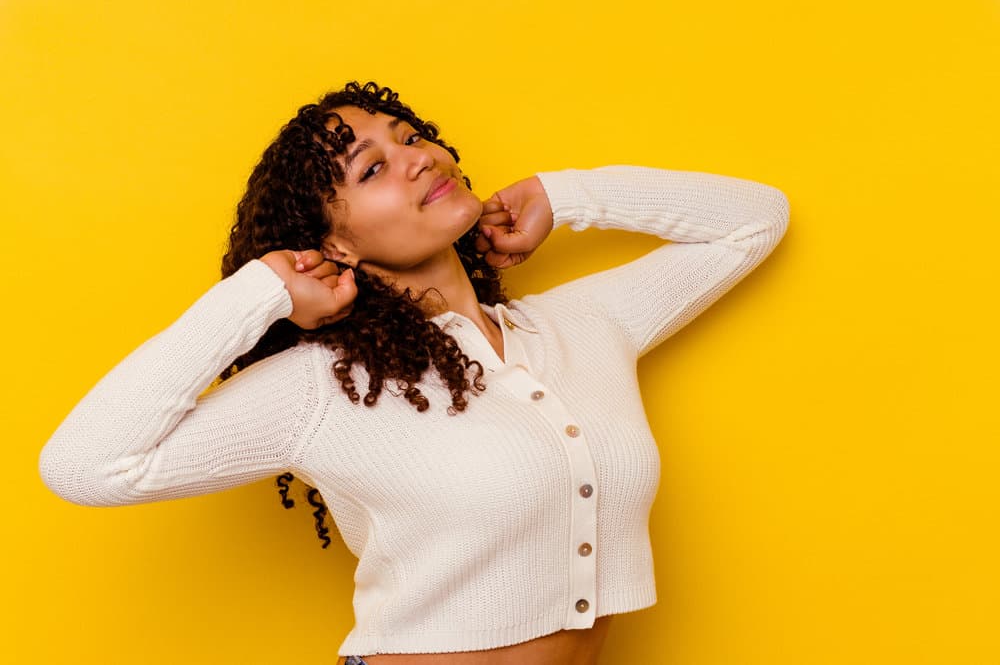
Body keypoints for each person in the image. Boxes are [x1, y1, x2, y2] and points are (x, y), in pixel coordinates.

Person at [38, 80, 790, 664]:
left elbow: (757, 218)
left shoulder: (581, 326)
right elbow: (86, 464)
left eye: (412, 137)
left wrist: (568, 197)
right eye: (374, 168)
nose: (419, 155)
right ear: (336, 245)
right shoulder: (326, 385)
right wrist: (263, 292)